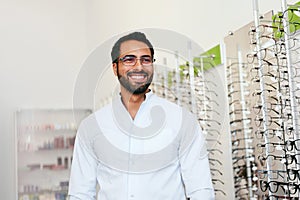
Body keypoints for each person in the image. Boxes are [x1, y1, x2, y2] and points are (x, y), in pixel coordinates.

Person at [68, 31, 215, 200]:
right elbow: (80, 193)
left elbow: (200, 189)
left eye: (145, 59)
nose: (139, 66)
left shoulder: (181, 120)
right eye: (129, 59)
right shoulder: (91, 126)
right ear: (115, 68)